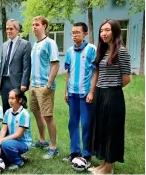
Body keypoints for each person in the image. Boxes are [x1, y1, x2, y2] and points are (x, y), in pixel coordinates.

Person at [88, 19, 131, 174]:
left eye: (107, 30)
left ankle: (108, 168)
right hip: (100, 93)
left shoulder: (121, 51)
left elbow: (127, 78)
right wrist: (96, 91)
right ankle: (104, 164)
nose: (103, 34)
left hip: (113, 95)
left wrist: (111, 90)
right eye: (101, 31)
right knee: (102, 129)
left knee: (112, 131)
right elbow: (98, 73)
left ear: (115, 31)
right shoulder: (104, 50)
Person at [62, 22, 97, 166]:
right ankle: (74, 152)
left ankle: (87, 154)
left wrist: (92, 92)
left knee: (87, 124)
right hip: (72, 94)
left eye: (77, 32)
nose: (74, 35)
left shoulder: (92, 49)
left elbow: (96, 72)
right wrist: (65, 91)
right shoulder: (69, 51)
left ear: (85, 34)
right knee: (73, 124)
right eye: (72, 32)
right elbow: (68, 72)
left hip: (85, 94)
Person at [30, 16, 60, 159]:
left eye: (37, 25)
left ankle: (53, 147)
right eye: (33, 25)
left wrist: (48, 84)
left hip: (44, 86)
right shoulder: (35, 44)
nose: (34, 27)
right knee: (36, 113)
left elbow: (55, 64)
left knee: (47, 116)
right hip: (34, 85)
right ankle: (42, 140)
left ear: (44, 26)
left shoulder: (50, 43)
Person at [0, 88, 32, 171]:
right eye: (9, 98)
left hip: (23, 142)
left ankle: (18, 162)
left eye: (12, 98)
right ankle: (14, 157)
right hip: (9, 141)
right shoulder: (8, 112)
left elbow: (18, 134)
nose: (10, 100)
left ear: (20, 100)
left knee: (6, 144)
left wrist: (1, 142)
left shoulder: (24, 114)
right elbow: (4, 130)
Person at [0, 19, 31, 113]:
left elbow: (26, 66)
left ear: (17, 30)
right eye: (7, 29)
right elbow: (1, 63)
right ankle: (6, 128)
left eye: (11, 29)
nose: (8, 31)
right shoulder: (4, 45)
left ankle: (19, 127)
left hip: (17, 82)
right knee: (6, 108)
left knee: (18, 108)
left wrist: (24, 83)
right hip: (4, 82)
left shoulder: (25, 44)